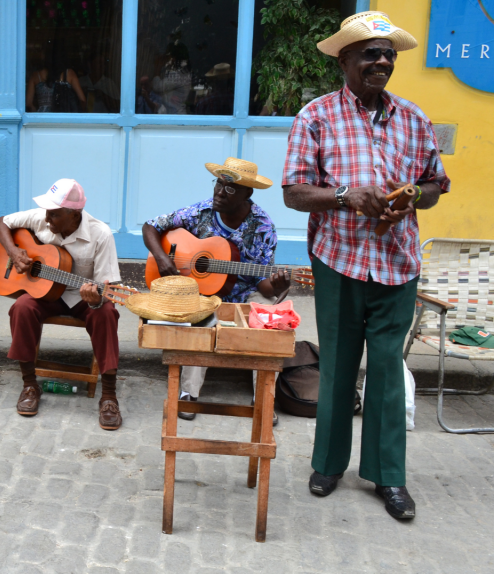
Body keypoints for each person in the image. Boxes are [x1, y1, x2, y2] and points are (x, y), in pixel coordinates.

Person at [283, 11, 448, 520]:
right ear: (344, 59)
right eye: (370, 53)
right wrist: (347, 195)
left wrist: (411, 196)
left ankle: (387, 476)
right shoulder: (316, 117)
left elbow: (435, 184)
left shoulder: (415, 119)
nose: (382, 62)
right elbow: (293, 193)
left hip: (397, 265)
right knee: (335, 367)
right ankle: (329, 464)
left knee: (387, 371)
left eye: (388, 55)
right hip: (339, 261)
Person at [143, 158, 290, 424]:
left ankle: (264, 399)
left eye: (230, 189)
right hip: (200, 292)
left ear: (248, 193)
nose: (220, 193)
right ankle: (188, 394)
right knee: (199, 319)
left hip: (243, 292)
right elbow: (150, 226)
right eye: (218, 184)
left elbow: (265, 286)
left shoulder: (262, 228)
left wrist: (278, 285)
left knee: (272, 321)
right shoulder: (201, 212)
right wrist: (162, 258)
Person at [0, 179, 123, 430]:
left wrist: (97, 298)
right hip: (47, 295)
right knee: (22, 307)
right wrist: (13, 252)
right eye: (47, 212)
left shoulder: (100, 234)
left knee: (107, 313)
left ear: (74, 215)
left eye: (53, 214)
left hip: (83, 298)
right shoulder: (42, 218)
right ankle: (30, 384)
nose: (46, 219)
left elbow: (109, 288)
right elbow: (2, 222)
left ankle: (109, 395)